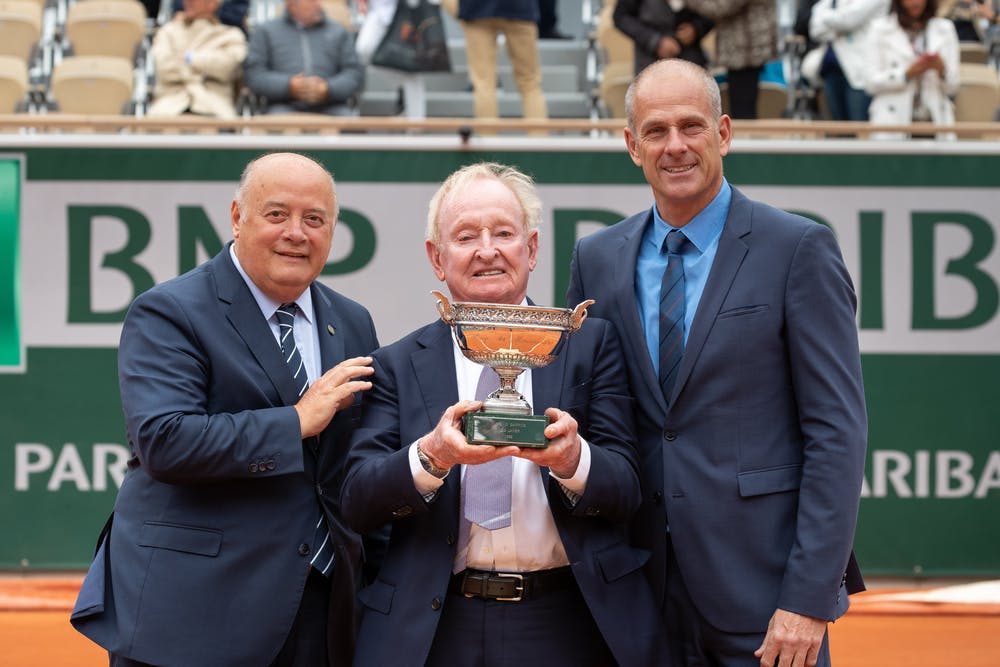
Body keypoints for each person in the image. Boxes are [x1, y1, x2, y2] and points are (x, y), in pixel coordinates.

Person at [567, 59, 868, 667]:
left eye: (691, 126)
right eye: (655, 131)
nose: (674, 146)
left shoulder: (798, 248)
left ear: (724, 133)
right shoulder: (596, 259)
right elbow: (596, 419)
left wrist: (809, 599)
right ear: (631, 146)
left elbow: (837, 434)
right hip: (636, 593)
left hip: (763, 599)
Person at [340, 162, 668, 666]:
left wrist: (572, 460)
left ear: (532, 249)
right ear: (437, 257)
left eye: (504, 233)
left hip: (571, 619)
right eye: (466, 235)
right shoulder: (397, 364)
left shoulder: (591, 345)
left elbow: (628, 488)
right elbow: (358, 501)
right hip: (436, 625)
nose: (487, 250)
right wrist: (432, 456)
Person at [70, 152, 380, 667]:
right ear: (237, 217)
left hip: (321, 612)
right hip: (195, 613)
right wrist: (296, 421)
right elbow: (165, 442)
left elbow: (357, 460)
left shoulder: (351, 321)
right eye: (276, 215)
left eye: (314, 219)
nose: (296, 234)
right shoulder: (170, 310)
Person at [244, 0, 364, 115]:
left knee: (350, 126)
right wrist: (288, 86)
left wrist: (328, 88)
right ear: (291, 4)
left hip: (332, 106)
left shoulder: (339, 32)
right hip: (281, 106)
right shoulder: (266, 32)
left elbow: (353, 74)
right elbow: (254, 75)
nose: (319, 4)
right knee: (278, 126)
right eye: (311, 1)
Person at [868, 0, 960, 139]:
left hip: (934, 121)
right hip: (893, 122)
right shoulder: (880, 29)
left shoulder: (945, 29)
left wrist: (941, 70)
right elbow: (870, 83)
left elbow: (953, 86)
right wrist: (906, 74)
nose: (915, 2)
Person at [147, 0, 247, 119]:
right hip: (167, 109)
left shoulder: (231, 35)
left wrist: (189, 58)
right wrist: (204, 70)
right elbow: (163, 68)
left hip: (215, 109)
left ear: (212, 3)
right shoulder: (168, 32)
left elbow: (226, 68)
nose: (187, 2)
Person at [456, 0, 549, 127]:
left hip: (476, 9)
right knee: (530, 84)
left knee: (484, 84)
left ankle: (486, 143)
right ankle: (539, 142)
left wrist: (458, 10)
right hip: (520, 9)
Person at [683, 0, 777, 118]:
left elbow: (719, 7)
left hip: (746, 54)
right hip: (746, 52)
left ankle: (744, 135)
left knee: (743, 113)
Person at [804, 0, 889, 120]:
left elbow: (847, 20)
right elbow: (815, 30)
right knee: (839, 132)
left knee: (860, 129)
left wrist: (825, 18)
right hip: (832, 70)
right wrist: (839, 25)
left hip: (861, 74)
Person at [355, 0, 429, 120]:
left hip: (407, 13)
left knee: (412, 73)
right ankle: (403, 86)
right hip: (378, 12)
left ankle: (416, 126)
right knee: (364, 50)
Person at [613, 0, 714, 74]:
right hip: (651, 63)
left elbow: (714, 8)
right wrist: (655, 41)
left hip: (692, 61)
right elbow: (621, 16)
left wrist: (696, 28)